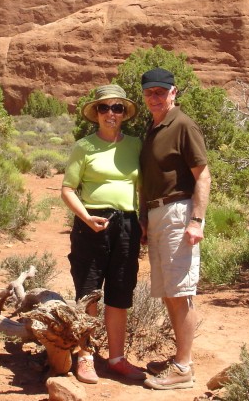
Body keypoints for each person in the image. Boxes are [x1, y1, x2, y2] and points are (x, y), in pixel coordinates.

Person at [61, 84, 148, 384]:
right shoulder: (84, 147)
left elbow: (144, 188)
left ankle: (117, 359)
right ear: (95, 113)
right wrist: (85, 217)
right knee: (88, 291)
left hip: (127, 224)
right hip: (92, 222)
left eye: (117, 108)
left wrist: (144, 220)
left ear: (124, 113)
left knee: (120, 291)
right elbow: (67, 189)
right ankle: (84, 355)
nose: (111, 114)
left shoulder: (135, 145)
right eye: (104, 108)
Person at [137, 67, 211, 391]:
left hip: (178, 213)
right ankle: (182, 360)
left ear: (173, 92)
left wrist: (196, 221)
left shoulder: (182, 124)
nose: (154, 97)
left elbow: (203, 176)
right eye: (149, 92)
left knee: (180, 293)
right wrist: (144, 218)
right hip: (157, 215)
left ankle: (183, 368)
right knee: (170, 293)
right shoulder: (153, 127)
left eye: (160, 92)